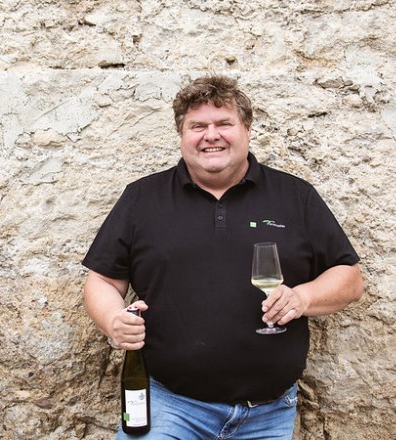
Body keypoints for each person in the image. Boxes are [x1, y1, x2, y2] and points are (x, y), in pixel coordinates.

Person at [82, 75, 363, 439]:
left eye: (224, 124)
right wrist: (112, 320)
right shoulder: (142, 199)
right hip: (170, 406)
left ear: (246, 129)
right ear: (182, 135)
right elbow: (102, 280)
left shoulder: (295, 196)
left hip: (270, 411)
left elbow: (350, 278)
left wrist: (303, 297)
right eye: (197, 126)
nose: (210, 135)